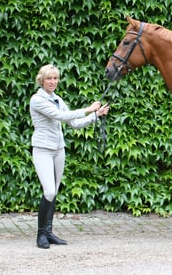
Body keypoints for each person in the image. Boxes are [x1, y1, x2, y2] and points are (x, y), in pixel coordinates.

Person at [30, 64, 110, 249]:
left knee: (54, 191)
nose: (53, 82)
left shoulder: (57, 98)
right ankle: (40, 234)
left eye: (55, 78)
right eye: (49, 78)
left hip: (59, 150)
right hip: (42, 149)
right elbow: (61, 116)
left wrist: (95, 115)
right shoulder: (37, 100)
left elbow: (74, 123)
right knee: (49, 191)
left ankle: (48, 232)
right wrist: (88, 109)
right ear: (41, 80)